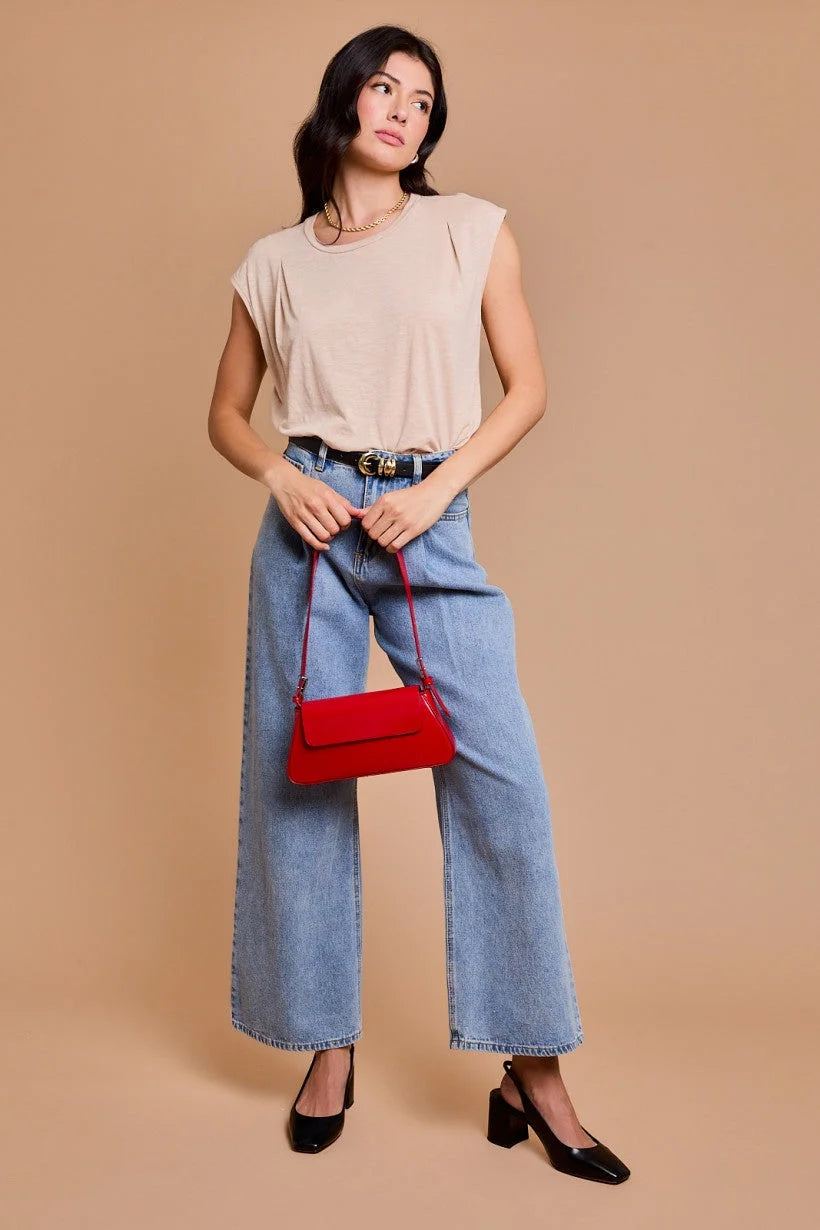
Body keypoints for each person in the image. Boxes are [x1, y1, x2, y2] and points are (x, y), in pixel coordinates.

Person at [208, 25, 630, 1183]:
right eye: (383, 87)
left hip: (423, 519)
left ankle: (532, 1069)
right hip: (307, 526)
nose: (402, 109)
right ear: (341, 102)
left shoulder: (468, 229)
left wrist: (436, 486)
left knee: (500, 776)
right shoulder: (273, 261)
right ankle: (325, 1046)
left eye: (422, 99)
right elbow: (228, 415)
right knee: (298, 779)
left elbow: (527, 386)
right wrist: (280, 478)